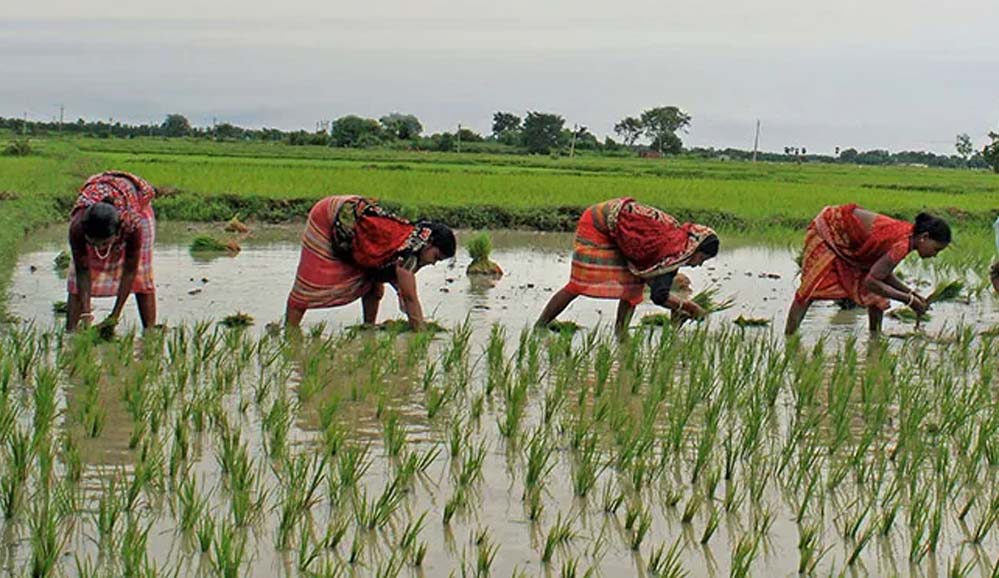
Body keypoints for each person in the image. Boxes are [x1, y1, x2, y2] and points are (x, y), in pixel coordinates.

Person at [536, 197, 719, 334]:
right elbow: (659, 296)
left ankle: (620, 333)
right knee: (580, 281)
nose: (698, 265)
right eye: (701, 259)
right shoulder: (671, 248)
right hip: (599, 223)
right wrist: (690, 307)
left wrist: (679, 307)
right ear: (695, 249)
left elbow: (655, 281)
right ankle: (540, 325)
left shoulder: (678, 244)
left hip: (619, 230)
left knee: (633, 286)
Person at [285, 196, 456, 330]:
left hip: (354, 210)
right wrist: (420, 333)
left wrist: (401, 294)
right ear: (429, 243)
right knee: (309, 286)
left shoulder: (416, 241)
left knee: (373, 282)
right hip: (329, 216)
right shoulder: (409, 255)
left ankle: (368, 327)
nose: (433, 263)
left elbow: (395, 277)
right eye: (436, 257)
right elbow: (411, 298)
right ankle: (289, 333)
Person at [785, 205, 950, 334]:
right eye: (936, 249)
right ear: (924, 238)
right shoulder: (902, 244)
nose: (934, 255)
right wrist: (908, 300)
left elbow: (882, 274)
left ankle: (874, 338)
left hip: (849, 243)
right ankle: (789, 339)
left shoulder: (907, 238)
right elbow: (872, 281)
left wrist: (911, 293)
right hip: (829, 230)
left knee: (877, 297)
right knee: (809, 290)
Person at [66, 171, 157, 332]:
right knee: (75, 282)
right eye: (93, 243)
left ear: (117, 233)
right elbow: (82, 270)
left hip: (137, 206)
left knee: (142, 278)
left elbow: (130, 271)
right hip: (102, 218)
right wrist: (87, 315)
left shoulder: (132, 225)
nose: (99, 248)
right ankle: (71, 332)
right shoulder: (78, 226)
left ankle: (149, 332)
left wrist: (114, 317)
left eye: (104, 243)